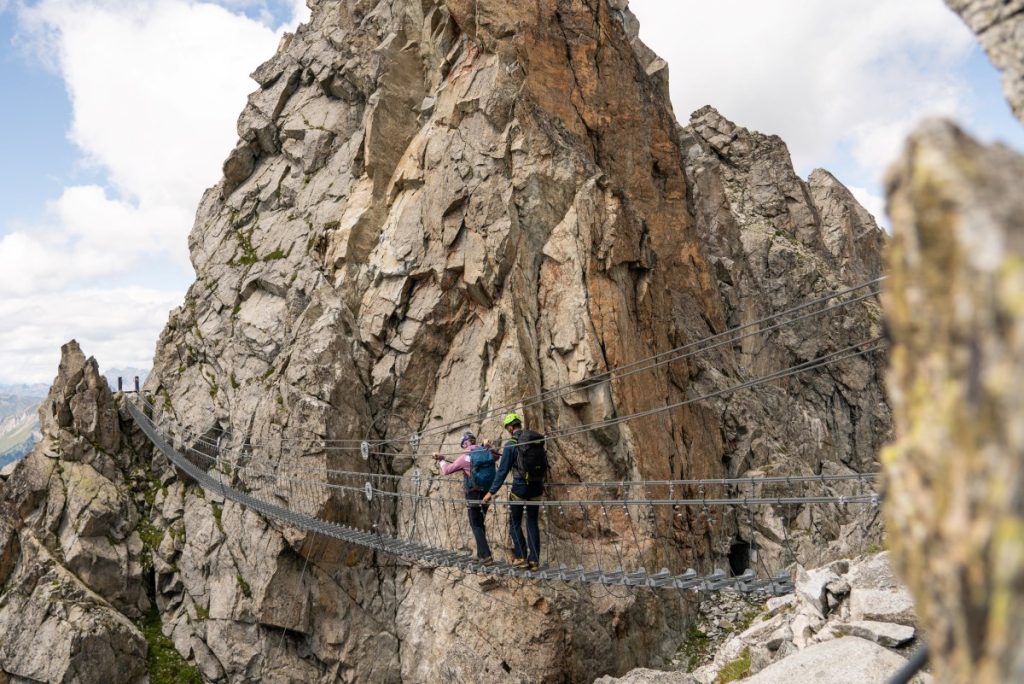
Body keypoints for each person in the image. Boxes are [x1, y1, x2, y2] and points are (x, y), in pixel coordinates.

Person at [482, 413, 548, 570]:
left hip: (520, 487)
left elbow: (502, 471)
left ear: (511, 428)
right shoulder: (533, 441)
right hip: (536, 486)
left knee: (514, 521)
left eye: (507, 428)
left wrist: (491, 492)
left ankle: (521, 557)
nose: (507, 431)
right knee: (532, 521)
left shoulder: (511, 444)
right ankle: (534, 560)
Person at [434, 431, 497, 565]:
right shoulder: (485, 452)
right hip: (487, 492)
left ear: (465, 444)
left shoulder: (465, 457)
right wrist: (489, 446)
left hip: (473, 493)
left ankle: (486, 556)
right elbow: (496, 457)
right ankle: (481, 553)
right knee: (480, 523)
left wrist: (441, 460)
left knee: (476, 524)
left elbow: (446, 470)